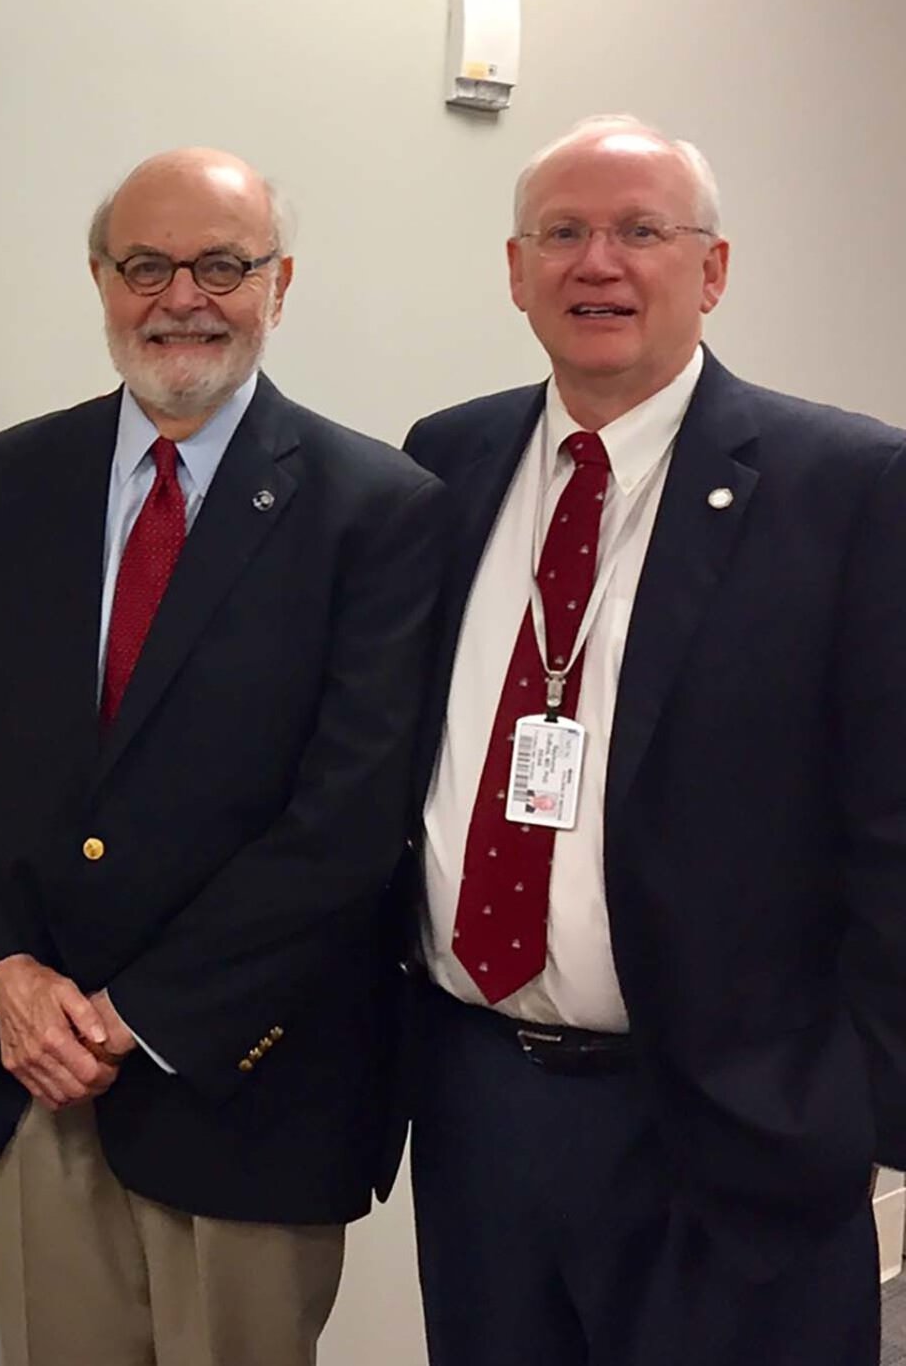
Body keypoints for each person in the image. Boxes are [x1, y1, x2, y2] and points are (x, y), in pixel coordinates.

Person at [0, 147, 444, 1365]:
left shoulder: (378, 508)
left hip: (250, 1084)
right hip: (37, 1072)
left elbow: (348, 822)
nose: (180, 298)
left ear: (278, 284)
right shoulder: (8, 482)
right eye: (144, 266)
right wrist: (2, 972)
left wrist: (134, 1017)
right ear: (101, 279)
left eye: (221, 266)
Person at [402, 115, 906, 1365]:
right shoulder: (446, 459)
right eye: (561, 233)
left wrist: (856, 1104)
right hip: (477, 1104)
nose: (598, 263)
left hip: (730, 1128)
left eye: (640, 231)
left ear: (712, 269)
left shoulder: (849, 485)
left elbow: (892, 824)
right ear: (514, 270)